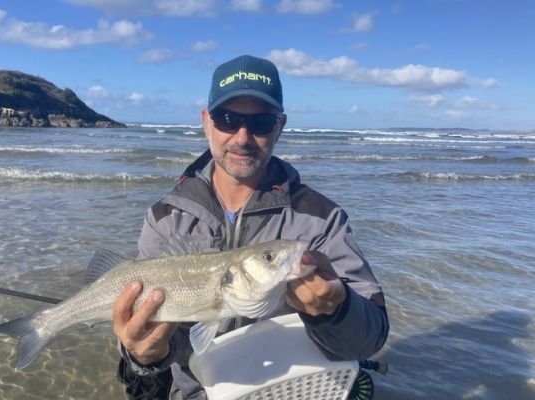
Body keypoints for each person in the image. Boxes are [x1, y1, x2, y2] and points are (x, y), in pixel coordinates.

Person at [113, 55, 389, 399]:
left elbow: (370, 340)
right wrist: (141, 353)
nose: (242, 137)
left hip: (297, 390)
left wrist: (337, 309)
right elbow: (157, 343)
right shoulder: (165, 218)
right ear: (206, 122)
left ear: (281, 125)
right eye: (228, 119)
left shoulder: (322, 218)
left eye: (260, 122)